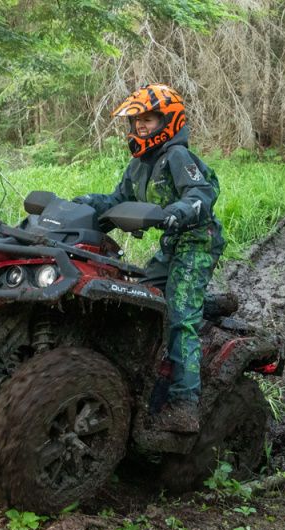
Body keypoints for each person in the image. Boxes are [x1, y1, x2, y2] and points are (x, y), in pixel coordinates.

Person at [75, 83, 225, 434]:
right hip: (173, 243)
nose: (140, 126)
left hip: (197, 239)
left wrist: (178, 211)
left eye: (148, 118)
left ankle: (184, 404)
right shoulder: (139, 165)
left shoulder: (177, 157)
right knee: (142, 300)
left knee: (179, 319)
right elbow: (115, 200)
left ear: (167, 120)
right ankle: (205, 302)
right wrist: (80, 203)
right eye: (135, 120)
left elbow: (202, 192)